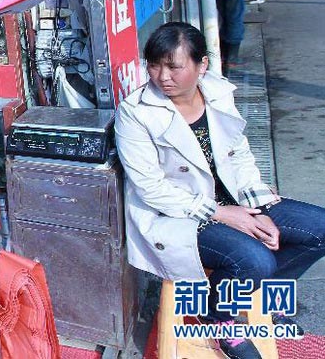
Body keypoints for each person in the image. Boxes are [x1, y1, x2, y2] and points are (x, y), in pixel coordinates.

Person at [115, 22, 325, 359]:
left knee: (319, 229)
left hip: (233, 202)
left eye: (174, 66)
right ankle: (220, 317)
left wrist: (260, 206)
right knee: (253, 260)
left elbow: (238, 154)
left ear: (202, 66)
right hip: (180, 215)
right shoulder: (135, 113)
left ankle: (260, 296)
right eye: (154, 64)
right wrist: (225, 214)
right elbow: (151, 188)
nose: (161, 76)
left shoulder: (217, 93)